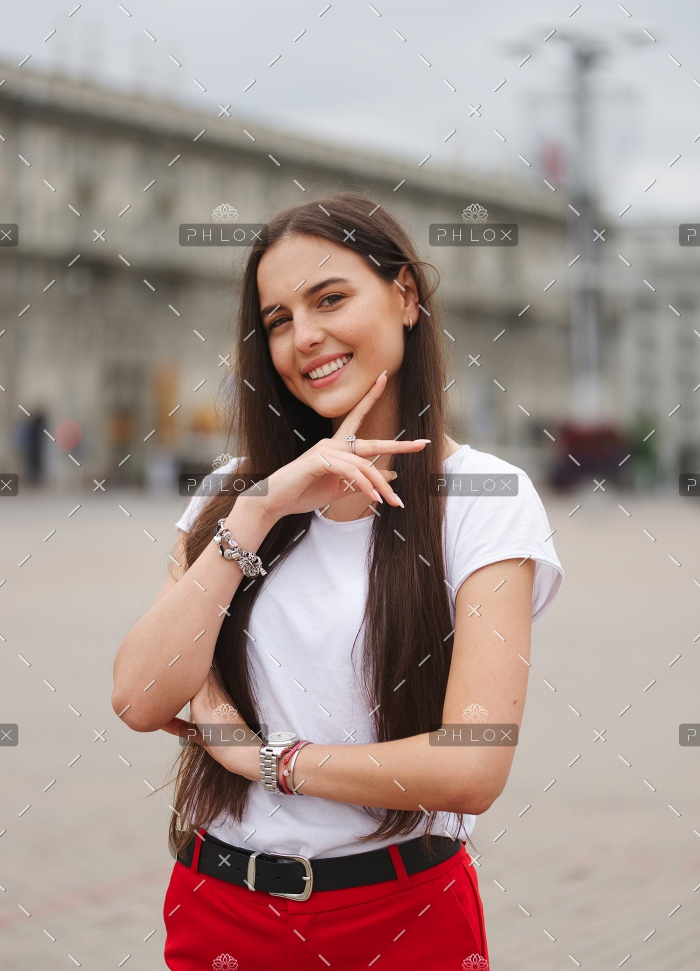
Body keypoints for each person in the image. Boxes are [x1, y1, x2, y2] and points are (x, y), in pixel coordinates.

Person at [111, 192, 565, 970]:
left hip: (402, 914)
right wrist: (261, 507)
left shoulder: (484, 497)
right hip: (222, 907)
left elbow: (471, 764)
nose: (305, 337)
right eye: (279, 319)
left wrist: (263, 758)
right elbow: (141, 695)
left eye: (329, 298)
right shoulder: (234, 490)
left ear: (406, 295)